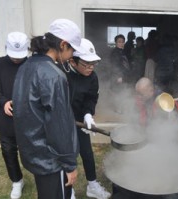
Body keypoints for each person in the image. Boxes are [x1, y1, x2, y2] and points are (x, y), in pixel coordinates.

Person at [12, 19, 84, 199]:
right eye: (72, 49)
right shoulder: (53, 75)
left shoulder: (26, 66)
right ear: (63, 44)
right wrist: (69, 165)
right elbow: (59, 125)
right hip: (52, 159)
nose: (72, 54)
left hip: (34, 150)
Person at [66, 38, 111, 198]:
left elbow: (91, 98)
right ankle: (68, 190)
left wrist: (87, 114)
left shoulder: (92, 77)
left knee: (86, 152)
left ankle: (92, 185)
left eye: (93, 63)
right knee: (68, 155)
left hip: (80, 120)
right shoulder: (62, 73)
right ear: (73, 60)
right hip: (62, 121)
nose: (91, 67)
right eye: (87, 64)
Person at [0, 31, 28, 199]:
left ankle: (41, 177)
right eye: (14, 56)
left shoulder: (31, 65)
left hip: (28, 117)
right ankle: (17, 180)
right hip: (5, 116)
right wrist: (3, 101)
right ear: (7, 48)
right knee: (8, 150)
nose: (17, 59)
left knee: (31, 150)